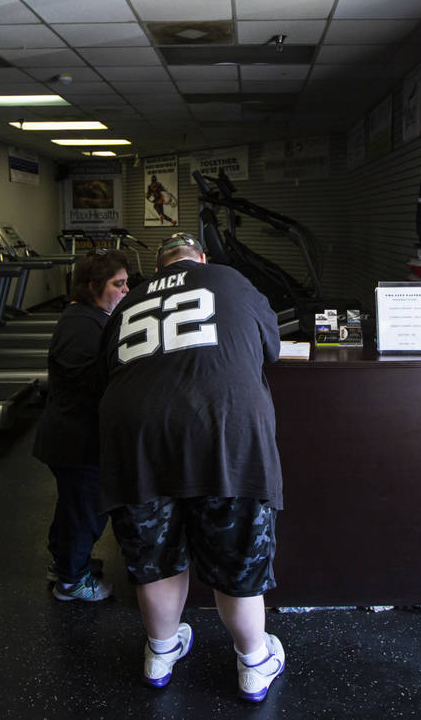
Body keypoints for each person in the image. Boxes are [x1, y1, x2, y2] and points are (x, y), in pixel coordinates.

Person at [98, 232, 286, 702]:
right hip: (221, 432)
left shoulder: (129, 300)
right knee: (236, 557)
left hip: (135, 439)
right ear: (201, 259)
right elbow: (271, 347)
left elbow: (110, 367)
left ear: (159, 267)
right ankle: (255, 662)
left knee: (155, 555)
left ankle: (161, 651)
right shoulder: (229, 279)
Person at [33, 249, 130, 602]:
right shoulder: (81, 326)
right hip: (75, 440)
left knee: (72, 506)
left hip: (73, 436)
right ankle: (71, 582)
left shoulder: (90, 317)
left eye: (126, 283)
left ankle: (65, 563)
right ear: (92, 286)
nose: (125, 290)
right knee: (86, 513)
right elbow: (86, 381)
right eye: (117, 284)